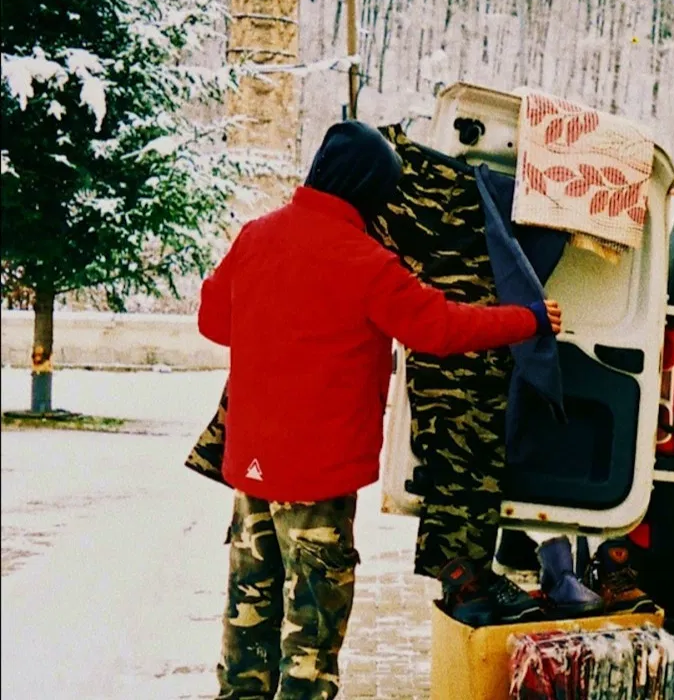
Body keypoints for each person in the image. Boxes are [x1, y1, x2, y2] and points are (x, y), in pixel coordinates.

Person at [198, 120, 562, 700]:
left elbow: (213, 321)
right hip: (317, 478)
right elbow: (440, 328)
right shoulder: (362, 260)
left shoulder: (256, 235)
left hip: (253, 469)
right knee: (309, 640)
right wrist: (530, 318)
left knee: (250, 618)